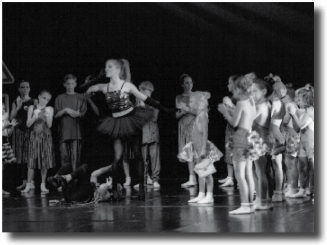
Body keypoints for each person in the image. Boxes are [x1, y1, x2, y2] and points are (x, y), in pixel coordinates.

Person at [85, 58, 174, 201]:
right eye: (105, 67)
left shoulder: (127, 86)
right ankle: (114, 190)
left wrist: (164, 109)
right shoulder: (103, 86)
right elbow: (85, 89)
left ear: (118, 70)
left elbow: (146, 99)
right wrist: (96, 79)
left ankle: (142, 190)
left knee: (138, 155)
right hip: (116, 123)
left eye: (109, 67)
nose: (106, 69)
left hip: (131, 120)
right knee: (118, 157)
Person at [218, 74, 257, 214]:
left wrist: (225, 111)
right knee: (248, 173)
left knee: (239, 173)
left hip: (240, 137)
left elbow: (234, 123)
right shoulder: (251, 101)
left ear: (239, 90)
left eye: (234, 90)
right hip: (250, 136)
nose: (233, 92)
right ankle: (250, 204)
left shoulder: (241, 103)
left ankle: (245, 205)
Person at [178, 91, 223, 204]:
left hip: (202, 147)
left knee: (207, 172)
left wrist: (203, 149)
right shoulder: (199, 114)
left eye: (192, 101)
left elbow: (205, 132)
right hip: (197, 147)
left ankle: (209, 195)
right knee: (200, 172)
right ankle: (201, 194)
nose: (190, 103)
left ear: (198, 103)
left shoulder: (203, 115)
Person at [21, 90, 55, 193]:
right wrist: (34, 116)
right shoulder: (32, 107)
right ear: (39, 97)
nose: (45, 101)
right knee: (31, 161)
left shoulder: (49, 108)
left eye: (48, 99)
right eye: (44, 98)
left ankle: (42, 184)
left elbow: (49, 125)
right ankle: (28, 184)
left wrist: (47, 115)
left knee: (44, 160)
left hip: (45, 136)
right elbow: (28, 124)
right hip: (33, 136)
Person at [54, 74, 87, 173]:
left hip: (76, 132)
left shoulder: (80, 97)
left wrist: (78, 114)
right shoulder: (60, 98)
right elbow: (55, 115)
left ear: (75, 84)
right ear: (64, 84)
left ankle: (74, 180)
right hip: (64, 132)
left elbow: (83, 113)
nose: (70, 86)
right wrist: (65, 110)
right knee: (64, 158)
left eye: (72, 84)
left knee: (75, 159)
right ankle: (63, 179)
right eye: (68, 84)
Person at [251, 78, 274, 210]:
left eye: (255, 91)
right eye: (251, 91)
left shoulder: (263, 106)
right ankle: (260, 198)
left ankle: (264, 200)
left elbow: (250, 122)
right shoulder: (261, 105)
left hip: (261, 140)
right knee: (256, 170)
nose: (252, 94)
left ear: (264, 91)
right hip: (256, 140)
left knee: (261, 171)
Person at [288, 84, 314, 200]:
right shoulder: (304, 112)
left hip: (311, 142)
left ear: (306, 100)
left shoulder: (311, 112)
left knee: (313, 166)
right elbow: (297, 129)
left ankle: (312, 189)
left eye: (299, 100)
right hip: (303, 142)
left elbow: (302, 125)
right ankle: (303, 189)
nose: (297, 102)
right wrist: (293, 114)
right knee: (302, 166)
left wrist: (294, 114)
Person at [10, 80, 37, 190]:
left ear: (29, 89)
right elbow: (12, 118)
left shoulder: (33, 101)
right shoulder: (16, 101)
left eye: (27, 87)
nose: (24, 89)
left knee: (29, 157)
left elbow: (37, 115)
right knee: (20, 158)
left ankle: (31, 182)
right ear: (19, 89)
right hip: (19, 132)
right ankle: (24, 181)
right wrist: (18, 107)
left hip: (30, 131)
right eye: (22, 87)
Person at [265, 74, 287, 202]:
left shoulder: (277, 103)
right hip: (273, 134)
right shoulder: (272, 102)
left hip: (276, 134)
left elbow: (274, 123)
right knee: (274, 164)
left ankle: (279, 191)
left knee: (277, 163)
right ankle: (278, 191)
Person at [136, 81, 161, 188]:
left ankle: (155, 179)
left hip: (153, 133)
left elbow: (154, 118)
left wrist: (145, 106)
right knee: (143, 158)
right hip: (142, 134)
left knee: (154, 158)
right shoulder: (138, 104)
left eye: (141, 90)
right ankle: (144, 179)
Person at [176, 74, 197, 188]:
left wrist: (187, 109)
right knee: (188, 152)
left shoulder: (196, 96)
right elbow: (176, 115)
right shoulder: (179, 97)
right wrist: (183, 111)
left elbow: (199, 112)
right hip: (183, 125)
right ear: (182, 85)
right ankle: (191, 178)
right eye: (187, 83)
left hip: (193, 125)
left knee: (195, 152)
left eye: (191, 82)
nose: (189, 85)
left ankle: (199, 177)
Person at [281, 84, 301, 198]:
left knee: (290, 163)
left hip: (292, 137)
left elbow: (285, 121)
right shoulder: (293, 105)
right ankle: (291, 185)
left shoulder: (290, 105)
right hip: (292, 136)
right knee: (290, 163)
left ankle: (292, 186)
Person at [218, 75, 238, 187]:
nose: (227, 85)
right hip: (230, 128)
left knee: (236, 153)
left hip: (237, 129)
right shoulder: (231, 97)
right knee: (228, 152)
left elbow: (237, 116)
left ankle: (239, 179)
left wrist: (229, 107)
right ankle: (230, 177)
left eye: (229, 83)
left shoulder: (238, 99)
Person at [2, 103, 18, 194]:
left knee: (3, 166)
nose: (3, 110)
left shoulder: (4, 120)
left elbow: (8, 134)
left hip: (4, 142)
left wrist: (11, 127)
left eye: (4, 108)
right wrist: (4, 127)